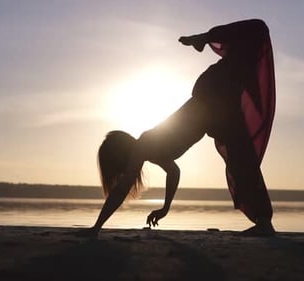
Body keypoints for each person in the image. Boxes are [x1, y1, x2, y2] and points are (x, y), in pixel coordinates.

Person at [84, 19, 276, 238]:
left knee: (257, 31)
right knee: (242, 163)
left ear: (119, 156)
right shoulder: (150, 150)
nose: (123, 174)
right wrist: (165, 209)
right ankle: (264, 222)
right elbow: (174, 172)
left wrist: (96, 228)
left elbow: (121, 189)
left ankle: (204, 38)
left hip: (212, 96)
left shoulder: (144, 145)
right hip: (215, 108)